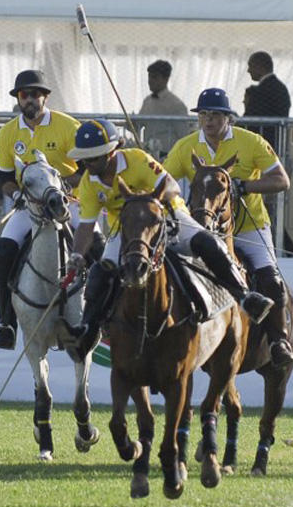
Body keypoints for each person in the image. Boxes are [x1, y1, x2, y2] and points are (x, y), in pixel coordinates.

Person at [66, 119, 274, 354]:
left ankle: (245, 297)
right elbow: (85, 226)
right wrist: (76, 254)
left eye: (93, 158)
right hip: (127, 230)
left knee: (209, 243)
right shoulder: (88, 183)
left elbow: (172, 186)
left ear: (112, 151)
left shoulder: (137, 160)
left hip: (167, 216)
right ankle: (88, 329)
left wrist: (149, 200)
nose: (88, 164)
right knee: (100, 271)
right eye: (84, 159)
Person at [163, 88, 293, 368]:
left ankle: (278, 340)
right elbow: (163, 182)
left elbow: (281, 180)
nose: (208, 121)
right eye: (203, 115)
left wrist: (244, 186)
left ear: (228, 118)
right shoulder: (186, 146)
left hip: (249, 227)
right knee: (169, 271)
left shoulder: (252, 142)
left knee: (271, 279)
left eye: (214, 115)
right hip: (201, 230)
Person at [0, 70, 82, 350]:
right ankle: (6, 324)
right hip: (29, 207)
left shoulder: (68, 127)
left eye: (34, 94)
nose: (28, 99)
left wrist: (59, 186)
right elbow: (4, 179)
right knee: (2, 255)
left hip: (70, 202)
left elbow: (87, 170)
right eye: (23, 94)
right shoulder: (7, 133)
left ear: (45, 97)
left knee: (98, 248)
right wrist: (17, 194)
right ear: (18, 98)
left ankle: (101, 316)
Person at [243, 51, 293, 254]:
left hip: (266, 156)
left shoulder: (265, 90)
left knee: (268, 205)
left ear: (260, 65)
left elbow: (251, 120)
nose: (248, 70)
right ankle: (285, 244)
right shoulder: (278, 88)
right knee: (270, 206)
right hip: (275, 151)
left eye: (250, 65)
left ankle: (284, 246)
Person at [138, 59, 188, 158]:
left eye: (154, 77)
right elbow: (138, 125)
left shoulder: (176, 105)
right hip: (149, 155)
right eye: (149, 77)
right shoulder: (147, 101)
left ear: (166, 79)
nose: (150, 81)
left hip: (168, 156)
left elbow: (184, 136)